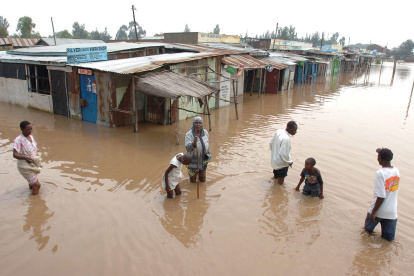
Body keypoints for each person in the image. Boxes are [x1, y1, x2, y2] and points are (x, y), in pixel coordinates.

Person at [364, 148, 400, 241]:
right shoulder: (396, 171)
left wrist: (373, 213)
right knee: (388, 241)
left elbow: (381, 196)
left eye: (378, 156)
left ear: (381, 159)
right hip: (391, 213)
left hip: (378, 211)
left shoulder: (380, 173)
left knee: (366, 234)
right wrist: (381, 150)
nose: (377, 158)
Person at [13, 121, 43, 195]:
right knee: (37, 185)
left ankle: (31, 188)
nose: (30, 131)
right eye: (27, 129)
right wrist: (25, 157)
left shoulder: (30, 136)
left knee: (33, 183)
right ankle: (35, 202)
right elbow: (15, 154)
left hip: (32, 163)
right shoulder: (19, 140)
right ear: (22, 129)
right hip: (24, 165)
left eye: (31, 129)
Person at [269, 121, 298, 185]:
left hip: (275, 160)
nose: (295, 132)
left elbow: (271, 143)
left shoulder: (279, 131)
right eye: (294, 130)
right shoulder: (286, 138)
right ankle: (278, 192)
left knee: (275, 176)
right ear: (289, 128)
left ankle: (273, 186)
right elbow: (284, 154)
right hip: (282, 163)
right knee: (280, 182)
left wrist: (274, 153)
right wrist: (289, 162)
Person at [185, 116, 212, 182]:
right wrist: (194, 143)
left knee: (203, 178)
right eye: (196, 123)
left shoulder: (205, 133)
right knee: (193, 180)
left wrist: (208, 156)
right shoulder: (189, 134)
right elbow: (188, 148)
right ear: (193, 124)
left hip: (203, 159)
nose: (198, 124)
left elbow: (207, 144)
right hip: (192, 160)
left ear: (202, 124)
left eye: (200, 123)